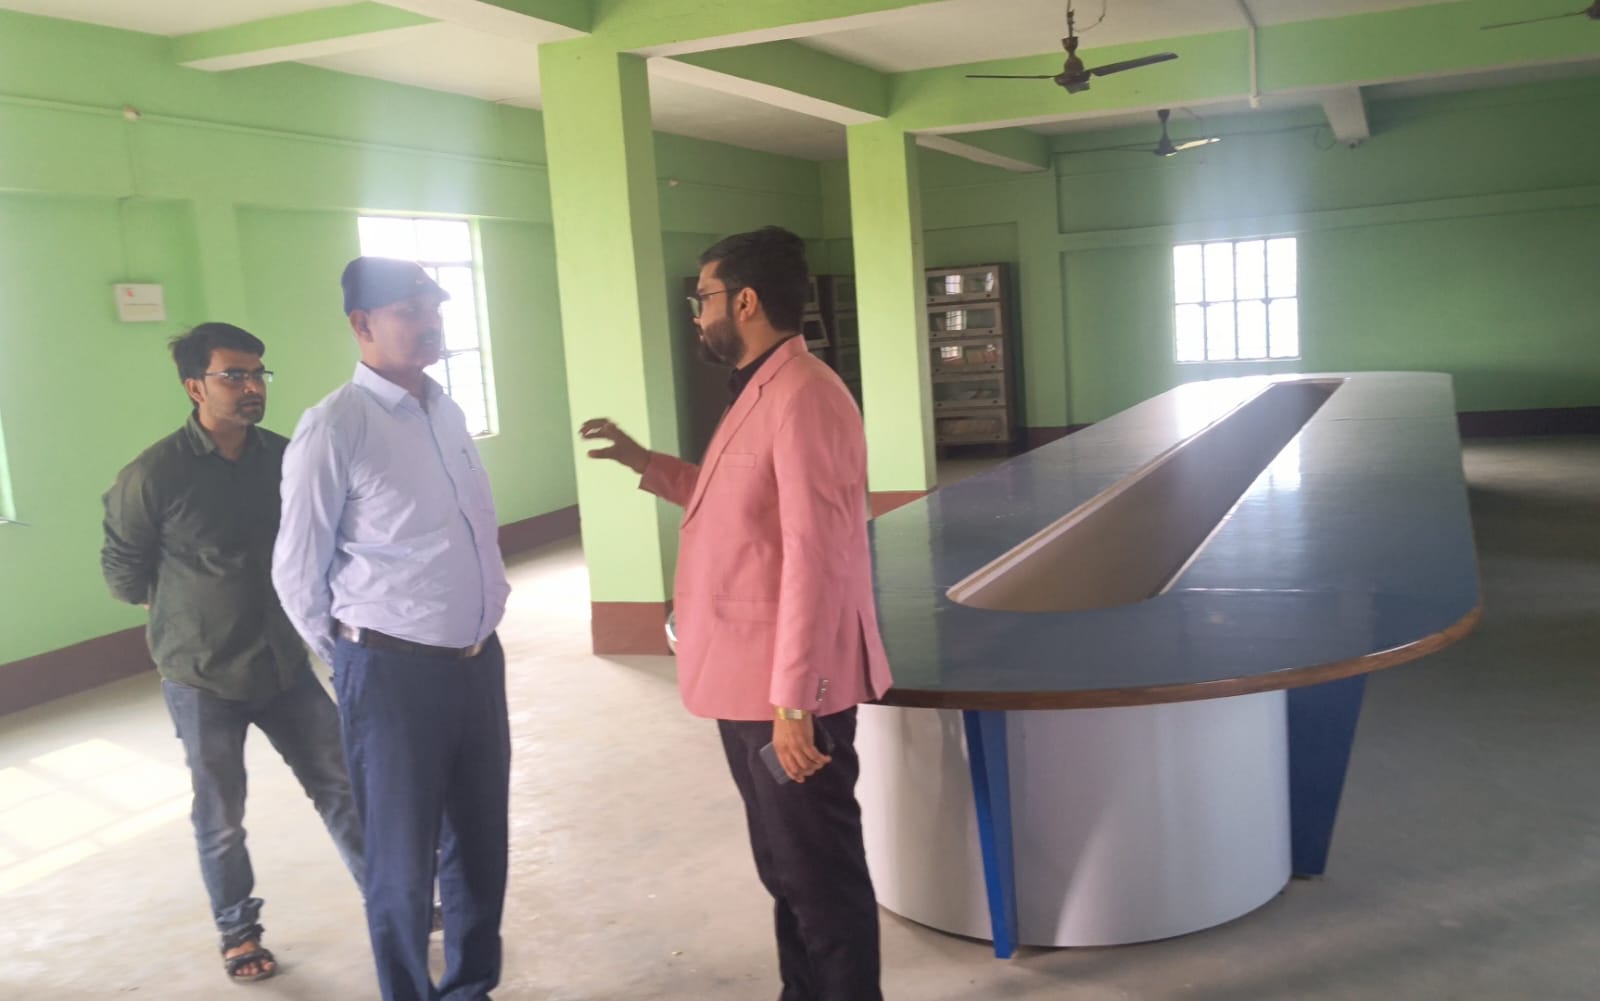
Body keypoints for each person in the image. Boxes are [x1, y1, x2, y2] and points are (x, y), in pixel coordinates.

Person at [580, 226, 893, 1001]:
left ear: (745, 301)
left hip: (786, 693)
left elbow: (817, 556)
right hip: (749, 683)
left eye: (704, 298)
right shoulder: (759, 387)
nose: (697, 314)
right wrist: (644, 461)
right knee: (785, 868)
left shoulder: (805, 395)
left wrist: (794, 701)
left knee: (821, 878)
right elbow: (738, 504)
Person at [272, 257, 511, 1001]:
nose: (429, 322)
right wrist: (357, 659)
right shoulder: (335, 426)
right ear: (362, 324)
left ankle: (470, 987)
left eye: (433, 307)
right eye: (409, 310)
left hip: (478, 659)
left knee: (481, 845)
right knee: (403, 862)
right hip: (392, 674)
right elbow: (296, 572)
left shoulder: (445, 410)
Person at [100, 322, 363, 985]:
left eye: (257, 374)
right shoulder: (153, 475)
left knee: (343, 786)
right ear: (195, 386)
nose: (252, 387)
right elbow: (123, 571)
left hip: (283, 664)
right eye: (234, 375)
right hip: (203, 677)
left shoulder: (286, 457)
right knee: (221, 816)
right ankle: (238, 932)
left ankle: (391, 896)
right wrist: (183, 611)